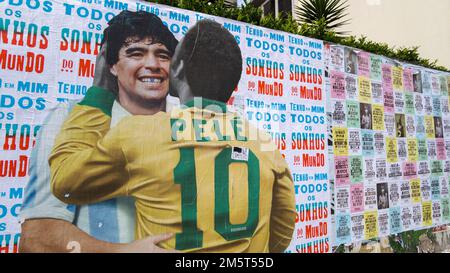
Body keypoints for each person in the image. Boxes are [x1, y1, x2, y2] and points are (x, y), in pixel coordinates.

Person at [49, 20, 296, 252]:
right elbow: (281, 235)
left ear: (177, 68)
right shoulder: (265, 143)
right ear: (232, 82)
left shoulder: (137, 133)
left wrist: (99, 93)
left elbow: (64, 180)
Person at [19, 10, 179, 253]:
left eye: (163, 55)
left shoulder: (189, 126)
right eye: (136, 53)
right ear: (110, 64)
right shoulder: (70, 117)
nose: (152, 64)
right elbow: (37, 239)